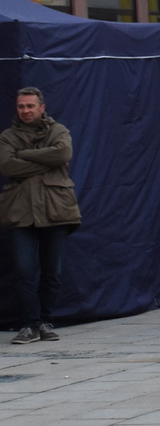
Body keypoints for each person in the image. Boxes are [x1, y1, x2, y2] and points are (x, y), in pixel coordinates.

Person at [2, 88, 81, 344]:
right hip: (20, 211)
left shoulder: (58, 131)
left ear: (42, 107)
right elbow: (6, 165)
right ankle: (29, 325)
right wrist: (45, 161)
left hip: (56, 209)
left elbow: (62, 154)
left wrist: (23, 155)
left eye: (30, 106)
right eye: (21, 106)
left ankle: (46, 322)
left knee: (51, 272)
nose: (25, 110)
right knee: (24, 270)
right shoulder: (7, 136)